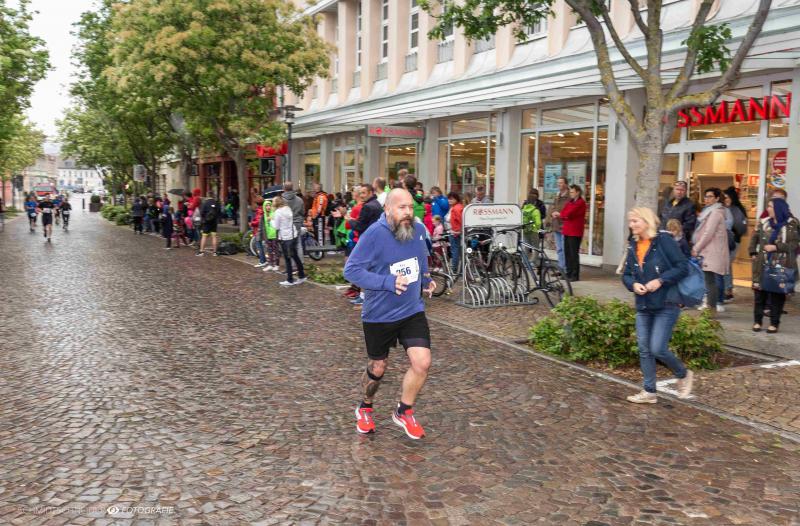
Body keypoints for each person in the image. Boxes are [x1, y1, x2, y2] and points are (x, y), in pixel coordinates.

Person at [344, 188, 438, 439]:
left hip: (411, 309)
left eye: (410, 207)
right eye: (401, 208)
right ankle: (365, 407)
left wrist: (426, 279)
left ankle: (404, 411)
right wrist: (387, 282)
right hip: (379, 314)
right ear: (388, 209)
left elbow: (420, 257)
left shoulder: (417, 229)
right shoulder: (374, 234)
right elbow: (351, 270)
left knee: (422, 362)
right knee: (378, 367)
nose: (408, 213)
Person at [622, 207, 694, 404]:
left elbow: (683, 267)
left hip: (666, 303)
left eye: (635, 221)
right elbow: (627, 274)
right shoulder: (633, 245)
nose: (631, 225)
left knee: (657, 348)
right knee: (644, 349)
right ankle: (649, 392)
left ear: (646, 221)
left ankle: (683, 373)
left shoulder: (664, 241)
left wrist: (661, 280)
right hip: (644, 304)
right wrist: (633, 284)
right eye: (630, 221)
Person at [749, 198, 799, 333]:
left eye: (770, 206)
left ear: (778, 208)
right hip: (762, 264)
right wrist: (752, 252)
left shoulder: (791, 225)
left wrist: (776, 247)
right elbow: (754, 238)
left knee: (777, 295)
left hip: (781, 265)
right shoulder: (764, 223)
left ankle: (774, 323)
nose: (768, 209)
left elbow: (794, 245)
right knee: (759, 295)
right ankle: (757, 321)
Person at [691, 187, 729, 314]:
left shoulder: (715, 213)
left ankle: (711, 309)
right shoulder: (709, 211)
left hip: (713, 250)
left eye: (710, 196)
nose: (707, 199)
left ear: (717, 198)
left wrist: (696, 248)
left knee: (710, 280)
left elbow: (708, 233)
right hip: (709, 250)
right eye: (706, 196)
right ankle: (710, 306)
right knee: (709, 279)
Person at [271, 196, 306, 286]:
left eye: (273, 202)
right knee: (295, 256)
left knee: (287, 259)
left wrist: (271, 221)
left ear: (276, 203)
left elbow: (276, 226)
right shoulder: (288, 209)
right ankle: (302, 276)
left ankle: (290, 280)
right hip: (292, 235)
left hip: (285, 237)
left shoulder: (278, 212)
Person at [556, 185, 587, 282]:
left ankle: (575, 275)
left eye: (572, 192)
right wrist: (563, 215)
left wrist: (562, 215)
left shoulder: (581, 203)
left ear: (578, 192)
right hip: (567, 230)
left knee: (573, 254)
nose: (571, 194)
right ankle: (568, 273)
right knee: (567, 253)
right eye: (570, 192)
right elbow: (564, 211)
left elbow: (569, 213)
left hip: (575, 231)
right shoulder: (570, 202)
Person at [722, 187, 748, 301]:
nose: (725, 199)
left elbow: (741, 228)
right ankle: (726, 289)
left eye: (727, 197)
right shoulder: (725, 208)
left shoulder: (736, 210)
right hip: (726, 240)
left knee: (726, 264)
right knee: (725, 264)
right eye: (724, 197)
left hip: (732, 241)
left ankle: (728, 290)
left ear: (732, 198)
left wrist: (730, 230)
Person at [549, 177, 570, 272]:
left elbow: (569, 210)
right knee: (559, 249)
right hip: (556, 225)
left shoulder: (569, 197)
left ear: (566, 184)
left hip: (565, 226)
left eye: (561, 183)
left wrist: (560, 214)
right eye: (558, 183)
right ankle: (561, 268)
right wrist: (552, 213)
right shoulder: (557, 195)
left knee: (565, 249)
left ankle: (565, 270)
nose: (559, 184)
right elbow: (552, 207)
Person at [281, 182, 305, 255]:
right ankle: (299, 260)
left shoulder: (281, 201)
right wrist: (300, 220)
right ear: (292, 188)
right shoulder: (299, 200)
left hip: (285, 225)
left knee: (286, 244)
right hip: (297, 223)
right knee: (298, 244)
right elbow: (303, 212)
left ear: (284, 188)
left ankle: (289, 260)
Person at [447, 192, 463, 273]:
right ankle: (461, 269)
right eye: (449, 199)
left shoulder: (456, 208)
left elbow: (460, 220)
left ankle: (454, 269)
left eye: (452, 199)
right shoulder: (458, 207)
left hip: (455, 232)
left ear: (456, 199)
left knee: (455, 251)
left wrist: (459, 230)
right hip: (456, 232)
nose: (450, 200)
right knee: (458, 251)